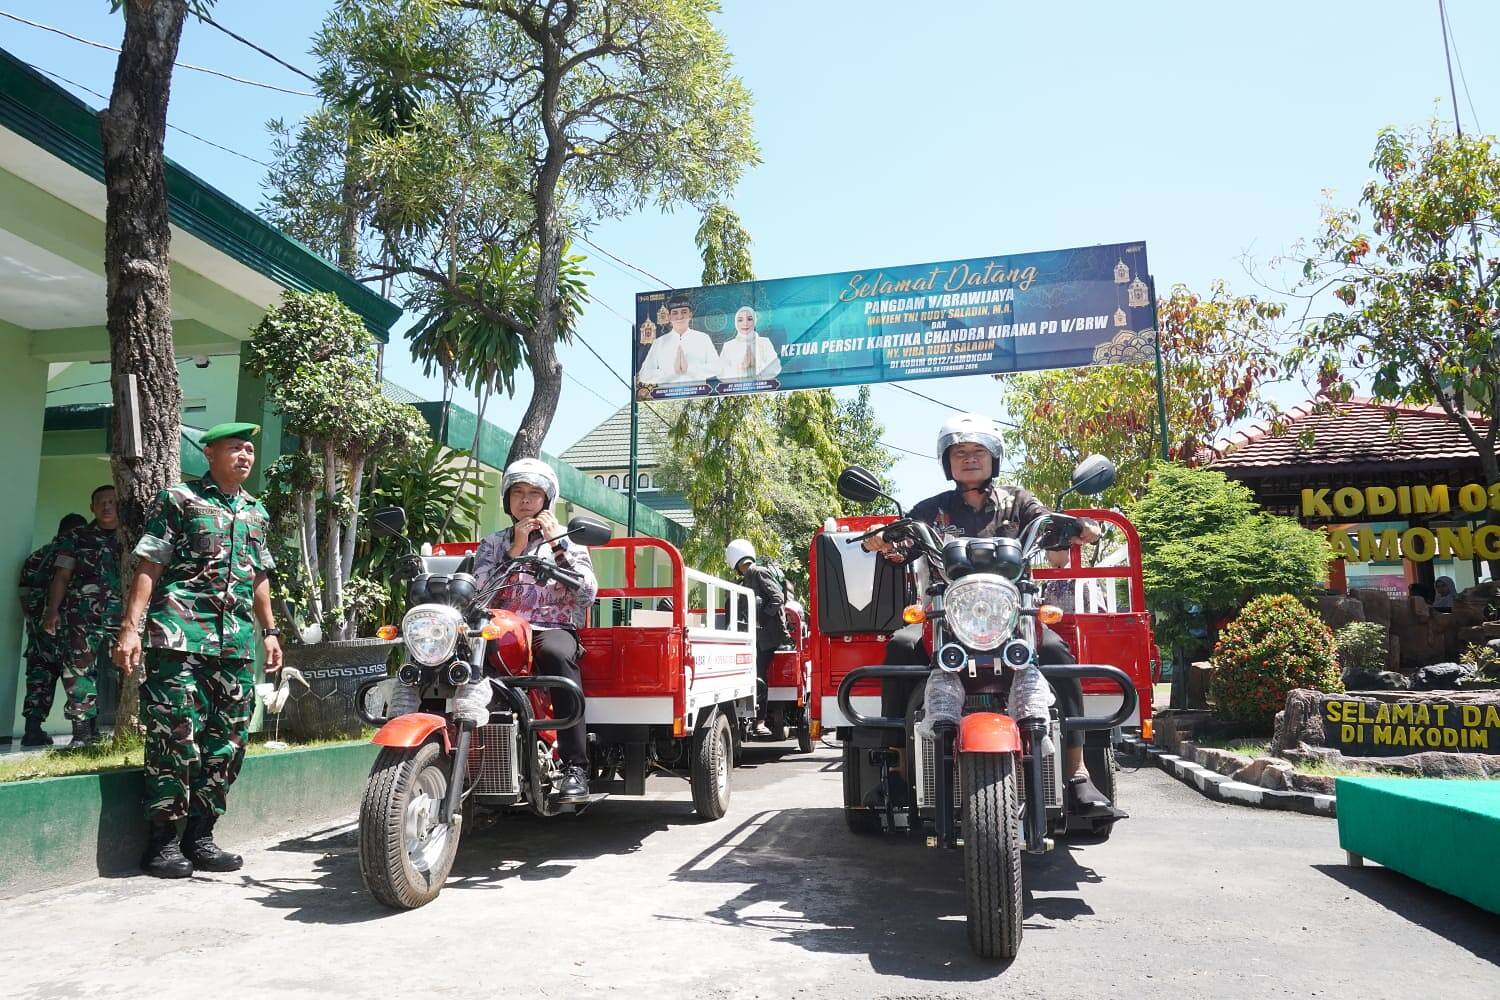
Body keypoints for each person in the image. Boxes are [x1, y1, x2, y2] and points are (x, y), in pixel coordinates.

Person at [861, 412, 1111, 813]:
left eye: (978, 451)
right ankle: (899, 771)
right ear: (947, 461)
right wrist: (882, 540)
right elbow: (901, 544)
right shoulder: (930, 509)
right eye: (959, 452)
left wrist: (1078, 526)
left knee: (1058, 653)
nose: (969, 458)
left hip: (1014, 619)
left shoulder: (1019, 501)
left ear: (994, 456)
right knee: (899, 649)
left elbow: (1052, 529)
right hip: (945, 617)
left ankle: (1078, 773)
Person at [114, 422, 283, 879]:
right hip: (179, 635)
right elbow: (151, 562)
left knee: (227, 741)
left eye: (249, 449)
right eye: (235, 448)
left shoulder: (256, 512)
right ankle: (163, 844)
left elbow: (259, 576)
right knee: (174, 733)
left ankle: (201, 837)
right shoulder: (180, 499)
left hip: (234, 643)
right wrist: (131, 628)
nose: (245, 455)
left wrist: (270, 632)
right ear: (209, 454)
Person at [472, 458, 599, 804]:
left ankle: (576, 768)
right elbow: (477, 592)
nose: (525, 500)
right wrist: (515, 549)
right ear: (507, 500)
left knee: (558, 655)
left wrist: (556, 544)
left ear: (547, 500)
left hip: (550, 628)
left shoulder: (569, 541)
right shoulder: (494, 543)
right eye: (517, 493)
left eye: (533, 493)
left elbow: (587, 592)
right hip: (501, 629)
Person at [42, 486, 123, 750]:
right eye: (101, 502)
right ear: (92, 507)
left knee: (128, 671)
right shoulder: (77, 537)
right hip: (82, 616)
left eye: (112, 502)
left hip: (123, 619)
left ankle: (129, 728)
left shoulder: (131, 536)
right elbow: (62, 576)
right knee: (77, 671)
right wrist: (52, 611)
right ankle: (82, 732)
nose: (107, 507)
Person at [17, 512, 88, 747]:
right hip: (71, 627)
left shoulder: (36, 557)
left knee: (39, 677)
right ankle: (84, 732)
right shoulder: (79, 552)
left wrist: (36, 622)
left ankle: (32, 730)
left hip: (39, 632)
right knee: (79, 676)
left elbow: (24, 596)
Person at [726, 538, 791, 738]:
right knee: (753, 674)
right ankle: (753, 720)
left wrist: (761, 616)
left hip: (766, 637)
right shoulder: (746, 578)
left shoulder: (758, 572)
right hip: (756, 636)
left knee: (759, 676)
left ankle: (760, 721)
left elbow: (778, 598)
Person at [635, 294, 718, 386]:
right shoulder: (659, 342)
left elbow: (717, 367)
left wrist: (689, 369)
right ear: (669, 317)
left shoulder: (703, 338)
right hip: (667, 397)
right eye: (675, 313)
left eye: (684, 312)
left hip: (698, 394)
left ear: (690, 315)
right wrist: (672, 371)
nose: (679, 316)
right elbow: (644, 375)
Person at [716, 306, 782, 382]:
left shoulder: (764, 342)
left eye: (749, 319)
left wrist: (755, 368)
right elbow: (721, 373)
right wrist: (742, 369)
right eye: (740, 320)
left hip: (761, 389)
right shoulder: (729, 345)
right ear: (736, 323)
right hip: (736, 391)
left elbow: (776, 367)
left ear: (755, 321)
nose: (745, 323)